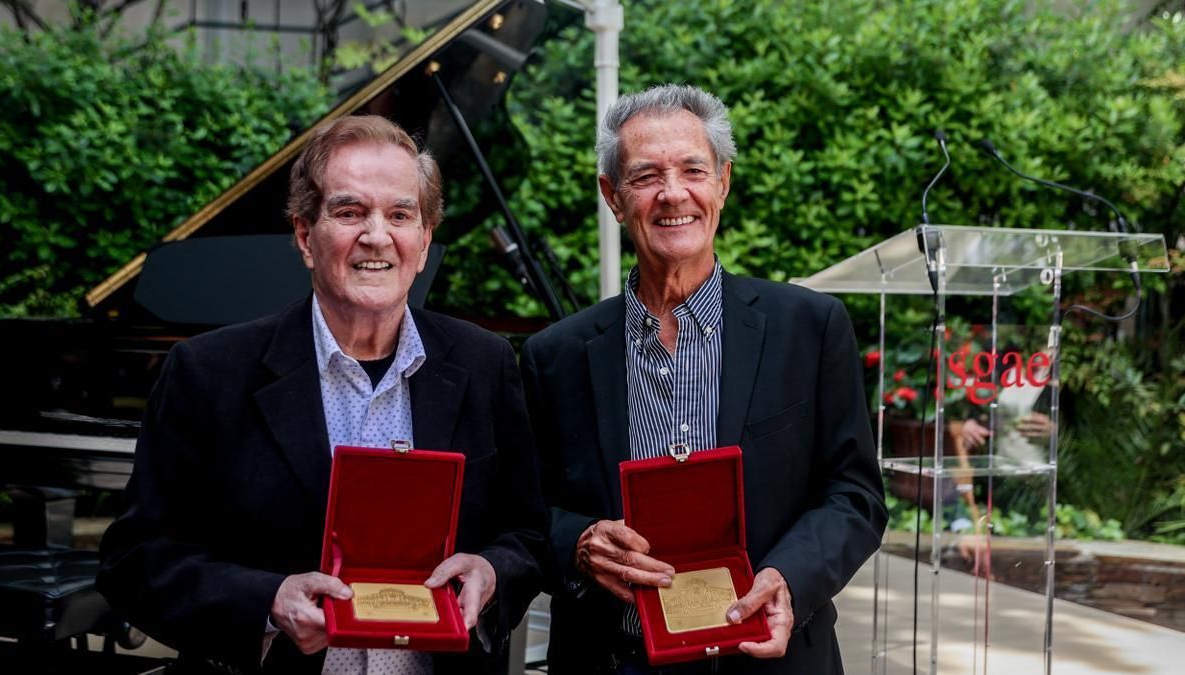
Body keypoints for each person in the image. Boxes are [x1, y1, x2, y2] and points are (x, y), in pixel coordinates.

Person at [98, 115, 547, 675]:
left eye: (401, 215)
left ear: (425, 240)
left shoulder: (485, 364)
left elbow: (528, 532)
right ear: (306, 236)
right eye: (350, 211)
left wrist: (492, 568)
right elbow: (134, 560)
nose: (377, 236)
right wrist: (266, 601)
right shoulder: (208, 372)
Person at [520, 85, 886, 674]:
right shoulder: (554, 355)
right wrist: (579, 543)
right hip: (612, 659)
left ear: (723, 183)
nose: (673, 194)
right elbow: (526, 512)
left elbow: (855, 495)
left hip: (771, 657)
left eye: (693, 169)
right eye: (645, 176)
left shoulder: (810, 329)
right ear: (613, 197)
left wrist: (787, 577)